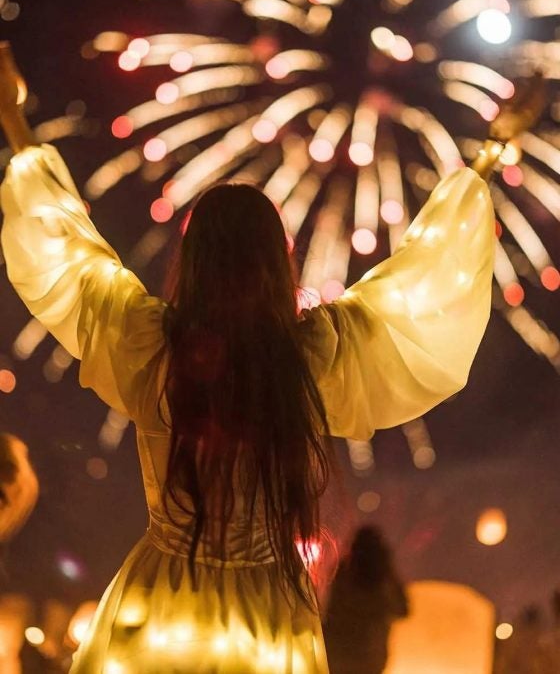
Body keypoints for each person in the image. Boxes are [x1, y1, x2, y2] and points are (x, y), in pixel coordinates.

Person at [0, 41, 498, 673]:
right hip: (267, 613)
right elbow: (425, 278)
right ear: (275, 262)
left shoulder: (150, 343)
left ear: (194, 260)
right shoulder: (312, 355)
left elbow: (65, 246)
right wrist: (492, 151)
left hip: (159, 602)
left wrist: (13, 119)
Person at [322, 526, 407, 674]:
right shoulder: (386, 580)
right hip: (370, 656)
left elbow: (332, 611)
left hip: (340, 654)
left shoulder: (344, 573)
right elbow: (402, 609)